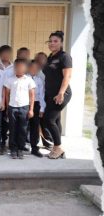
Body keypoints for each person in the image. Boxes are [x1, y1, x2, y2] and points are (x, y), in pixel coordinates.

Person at [43, 31, 72, 159]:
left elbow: (67, 76)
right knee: (56, 120)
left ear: (61, 43)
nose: (52, 43)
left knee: (49, 120)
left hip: (61, 93)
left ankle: (58, 147)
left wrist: (61, 93)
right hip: (50, 94)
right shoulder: (50, 57)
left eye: (55, 41)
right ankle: (58, 149)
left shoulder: (64, 56)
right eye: (50, 41)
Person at [4, 59, 35, 159]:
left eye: (21, 67)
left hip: (24, 107)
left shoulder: (29, 79)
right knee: (12, 129)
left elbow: (32, 96)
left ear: (25, 69)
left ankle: (20, 149)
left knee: (23, 129)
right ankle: (13, 149)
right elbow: (7, 94)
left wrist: (31, 109)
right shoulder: (10, 79)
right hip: (12, 107)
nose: (19, 69)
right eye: (17, 67)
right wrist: (7, 107)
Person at [28, 60, 45, 157]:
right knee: (23, 126)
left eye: (36, 68)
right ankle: (20, 146)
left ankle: (34, 148)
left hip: (36, 104)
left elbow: (42, 95)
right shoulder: (24, 78)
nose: (34, 70)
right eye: (32, 68)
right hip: (25, 104)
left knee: (35, 126)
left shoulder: (39, 80)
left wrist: (42, 108)